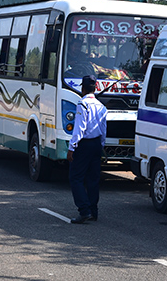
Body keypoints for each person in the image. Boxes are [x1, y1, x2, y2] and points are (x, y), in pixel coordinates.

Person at [67, 75, 107, 224]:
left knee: (76, 178)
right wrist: (101, 146)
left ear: (82, 88)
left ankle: (84, 211)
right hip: (96, 144)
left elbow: (79, 128)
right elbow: (104, 129)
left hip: (84, 145)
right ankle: (93, 211)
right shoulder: (101, 106)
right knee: (93, 178)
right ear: (95, 88)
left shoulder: (82, 104)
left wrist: (72, 147)